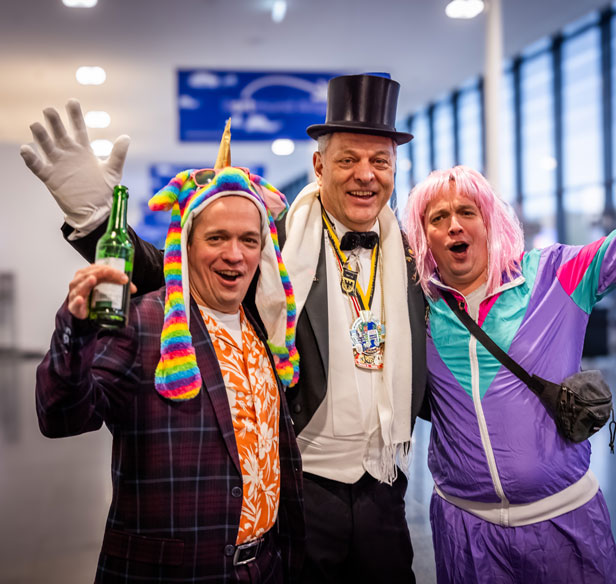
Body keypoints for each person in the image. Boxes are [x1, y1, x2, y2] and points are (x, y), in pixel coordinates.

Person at [22, 74, 428, 584]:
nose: (365, 175)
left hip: (384, 487)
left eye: (380, 161)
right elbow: (174, 270)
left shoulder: (416, 259)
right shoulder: (271, 243)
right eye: (348, 159)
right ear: (319, 165)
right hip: (307, 486)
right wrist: (101, 220)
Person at [402, 82, 616, 583]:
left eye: (467, 213)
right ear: (425, 238)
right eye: (439, 218)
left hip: (564, 523)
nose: (455, 226)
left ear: (490, 223)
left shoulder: (555, 275)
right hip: (465, 528)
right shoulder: (418, 306)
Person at [32, 127, 305, 583]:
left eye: (249, 240)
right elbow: (61, 416)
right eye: (217, 238)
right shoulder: (145, 323)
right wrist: (75, 333)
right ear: (186, 245)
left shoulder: (265, 329)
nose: (235, 255)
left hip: (265, 569)